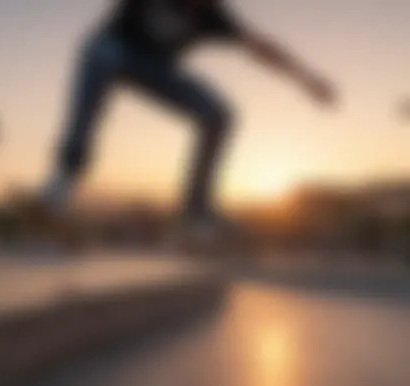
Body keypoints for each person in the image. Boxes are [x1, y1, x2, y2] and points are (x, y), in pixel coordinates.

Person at [42, 0, 338, 238]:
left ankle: (196, 214)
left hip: (155, 68)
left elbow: (263, 47)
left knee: (219, 114)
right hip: (114, 47)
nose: (198, 6)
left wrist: (307, 80)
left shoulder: (215, 16)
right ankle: (65, 176)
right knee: (101, 54)